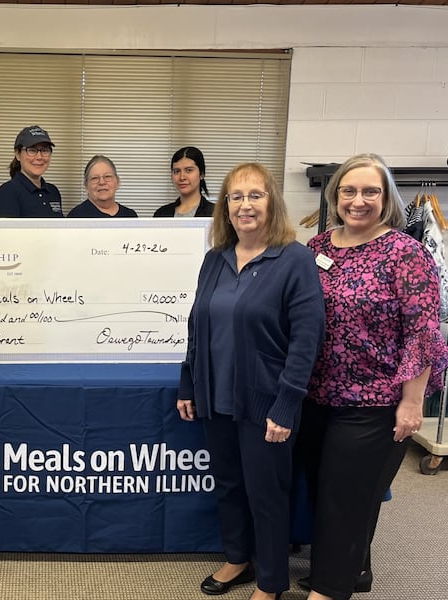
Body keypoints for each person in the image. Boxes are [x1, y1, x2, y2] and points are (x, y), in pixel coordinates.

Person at [301, 154, 448, 600]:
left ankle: (328, 589)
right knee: (326, 491)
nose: (358, 200)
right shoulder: (317, 247)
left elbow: (422, 334)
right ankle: (355, 571)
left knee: (345, 499)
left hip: (375, 400)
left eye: (371, 191)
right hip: (316, 395)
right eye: (349, 190)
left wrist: (412, 402)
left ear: (387, 198)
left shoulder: (406, 253)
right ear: (335, 196)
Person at [176, 163, 325, 600]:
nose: (245, 205)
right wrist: (188, 382)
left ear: (272, 202)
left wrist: (287, 404)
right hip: (215, 397)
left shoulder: (295, 259)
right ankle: (238, 557)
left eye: (255, 195)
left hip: (267, 402)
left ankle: (271, 581)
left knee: (267, 494)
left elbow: (307, 339)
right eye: (236, 196)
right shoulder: (215, 259)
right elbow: (197, 324)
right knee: (228, 485)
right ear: (225, 206)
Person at [0, 125, 64, 217]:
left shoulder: (53, 192)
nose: (39, 157)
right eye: (32, 150)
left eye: (45, 150)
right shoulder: (8, 192)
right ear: (18, 154)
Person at [67, 155, 137, 218]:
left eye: (107, 176)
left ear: (117, 182)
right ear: (86, 186)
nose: (102, 182)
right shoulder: (76, 216)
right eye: (95, 178)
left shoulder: (130, 215)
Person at [153, 146, 215, 217]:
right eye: (177, 171)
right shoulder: (161, 213)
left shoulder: (216, 213)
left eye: (189, 170)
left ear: (202, 174)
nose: (182, 177)